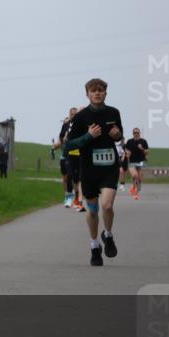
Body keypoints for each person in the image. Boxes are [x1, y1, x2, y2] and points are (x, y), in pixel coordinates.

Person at [62, 78, 123, 266]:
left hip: (110, 167)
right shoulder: (80, 118)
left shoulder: (114, 112)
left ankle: (109, 235)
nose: (97, 93)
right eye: (93, 90)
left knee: (107, 206)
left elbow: (120, 134)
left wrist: (117, 135)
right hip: (88, 169)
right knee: (93, 210)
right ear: (87, 94)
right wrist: (88, 136)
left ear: (106, 93)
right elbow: (68, 145)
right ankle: (95, 245)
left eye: (101, 90)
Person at [53, 107, 82, 209]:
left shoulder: (80, 126)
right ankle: (68, 196)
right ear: (69, 115)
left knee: (75, 178)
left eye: (75, 114)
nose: (73, 116)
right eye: (72, 114)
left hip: (78, 154)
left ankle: (76, 198)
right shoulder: (65, 125)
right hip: (66, 154)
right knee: (67, 177)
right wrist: (59, 144)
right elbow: (61, 138)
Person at [125, 128, 149, 199]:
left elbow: (147, 152)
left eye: (137, 133)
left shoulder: (143, 141)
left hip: (141, 161)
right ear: (133, 134)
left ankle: (135, 188)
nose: (136, 134)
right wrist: (128, 153)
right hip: (132, 162)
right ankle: (135, 193)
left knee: (139, 179)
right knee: (134, 175)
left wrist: (142, 149)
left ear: (139, 133)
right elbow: (126, 149)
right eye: (134, 133)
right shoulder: (129, 141)